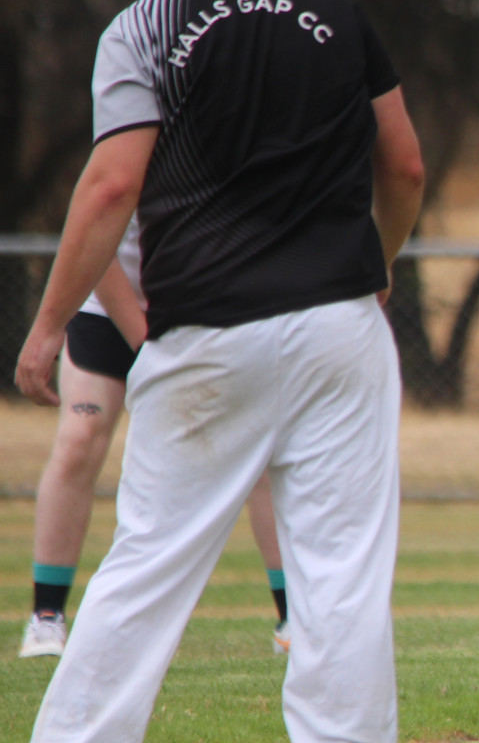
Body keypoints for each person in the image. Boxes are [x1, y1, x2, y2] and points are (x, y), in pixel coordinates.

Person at [11, 0, 431, 743]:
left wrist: (52, 323)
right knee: (340, 568)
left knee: (148, 564)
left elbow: (111, 183)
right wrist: (380, 262)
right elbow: (407, 166)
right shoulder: (335, 13)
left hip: (208, 335)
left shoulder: (141, 27)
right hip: (340, 328)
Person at [20, 221, 292, 660]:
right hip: (107, 311)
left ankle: (292, 617)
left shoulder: (232, 152)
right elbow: (97, 232)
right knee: (79, 437)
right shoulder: (122, 152)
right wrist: (147, 345)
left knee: (257, 451)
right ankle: (46, 615)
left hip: (203, 316)